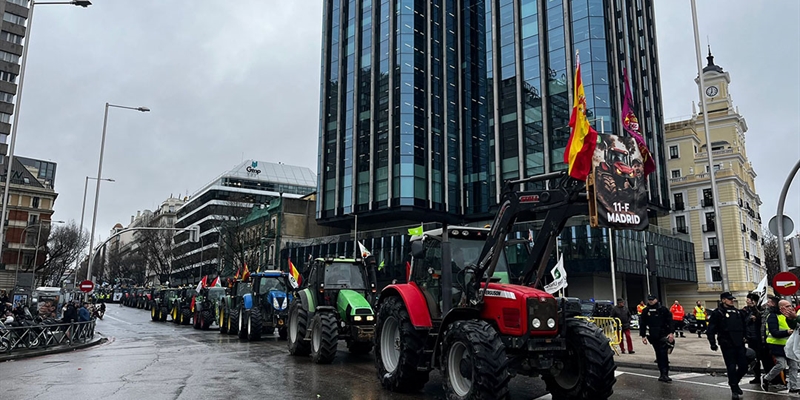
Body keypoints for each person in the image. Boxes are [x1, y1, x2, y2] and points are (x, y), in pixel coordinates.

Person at [707, 292, 748, 399]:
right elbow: (711, 329)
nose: (732, 301)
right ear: (723, 300)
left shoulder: (738, 312)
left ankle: (734, 382)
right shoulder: (718, 313)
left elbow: (744, 326)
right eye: (729, 299)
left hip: (739, 343)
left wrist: (746, 337)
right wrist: (712, 343)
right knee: (731, 367)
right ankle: (734, 389)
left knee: (744, 366)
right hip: (727, 343)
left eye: (732, 299)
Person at [762, 298, 798, 393]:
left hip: (789, 345)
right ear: (781, 308)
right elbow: (774, 332)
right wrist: (787, 332)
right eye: (787, 306)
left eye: (790, 305)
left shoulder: (791, 316)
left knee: (794, 366)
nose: (790, 308)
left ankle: (793, 387)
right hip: (776, 345)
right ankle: (766, 378)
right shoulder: (773, 316)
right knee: (781, 365)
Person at [640, 294, 674, 382]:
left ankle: (665, 373)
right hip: (653, 335)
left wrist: (671, 333)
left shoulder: (663, 310)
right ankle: (662, 374)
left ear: (656, 300)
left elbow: (670, 321)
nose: (650, 301)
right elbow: (642, 324)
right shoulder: (646, 311)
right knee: (658, 354)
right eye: (649, 300)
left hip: (663, 334)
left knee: (663, 354)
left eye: (652, 299)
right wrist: (643, 336)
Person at [743, 292, 773, 386]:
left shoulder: (761, 310)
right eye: (748, 300)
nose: (748, 301)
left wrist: (756, 314)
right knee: (754, 358)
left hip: (760, 338)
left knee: (765, 359)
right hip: (751, 338)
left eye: (750, 300)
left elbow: (763, 322)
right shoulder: (745, 310)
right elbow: (743, 322)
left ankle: (769, 376)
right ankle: (757, 376)